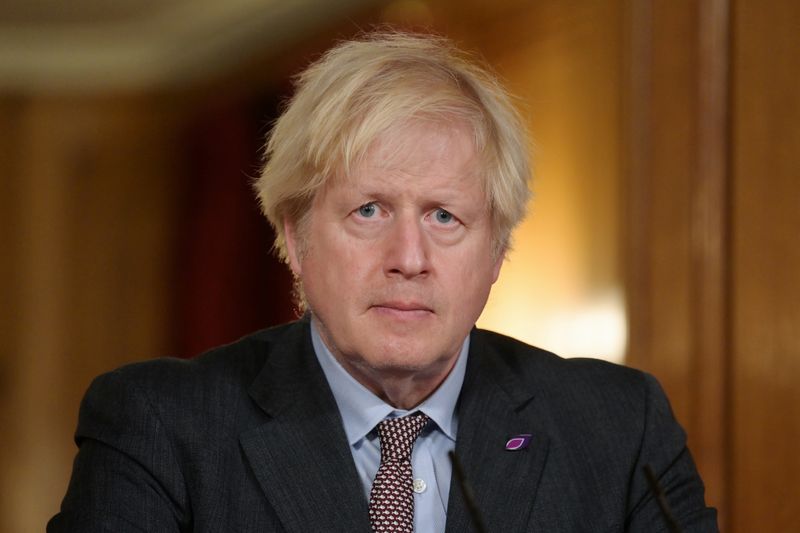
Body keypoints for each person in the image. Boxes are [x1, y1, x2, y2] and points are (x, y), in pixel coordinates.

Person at [48, 31, 718, 532]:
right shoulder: (161, 428)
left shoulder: (617, 428)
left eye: (445, 216)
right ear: (294, 235)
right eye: (369, 210)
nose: (409, 256)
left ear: (497, 252)